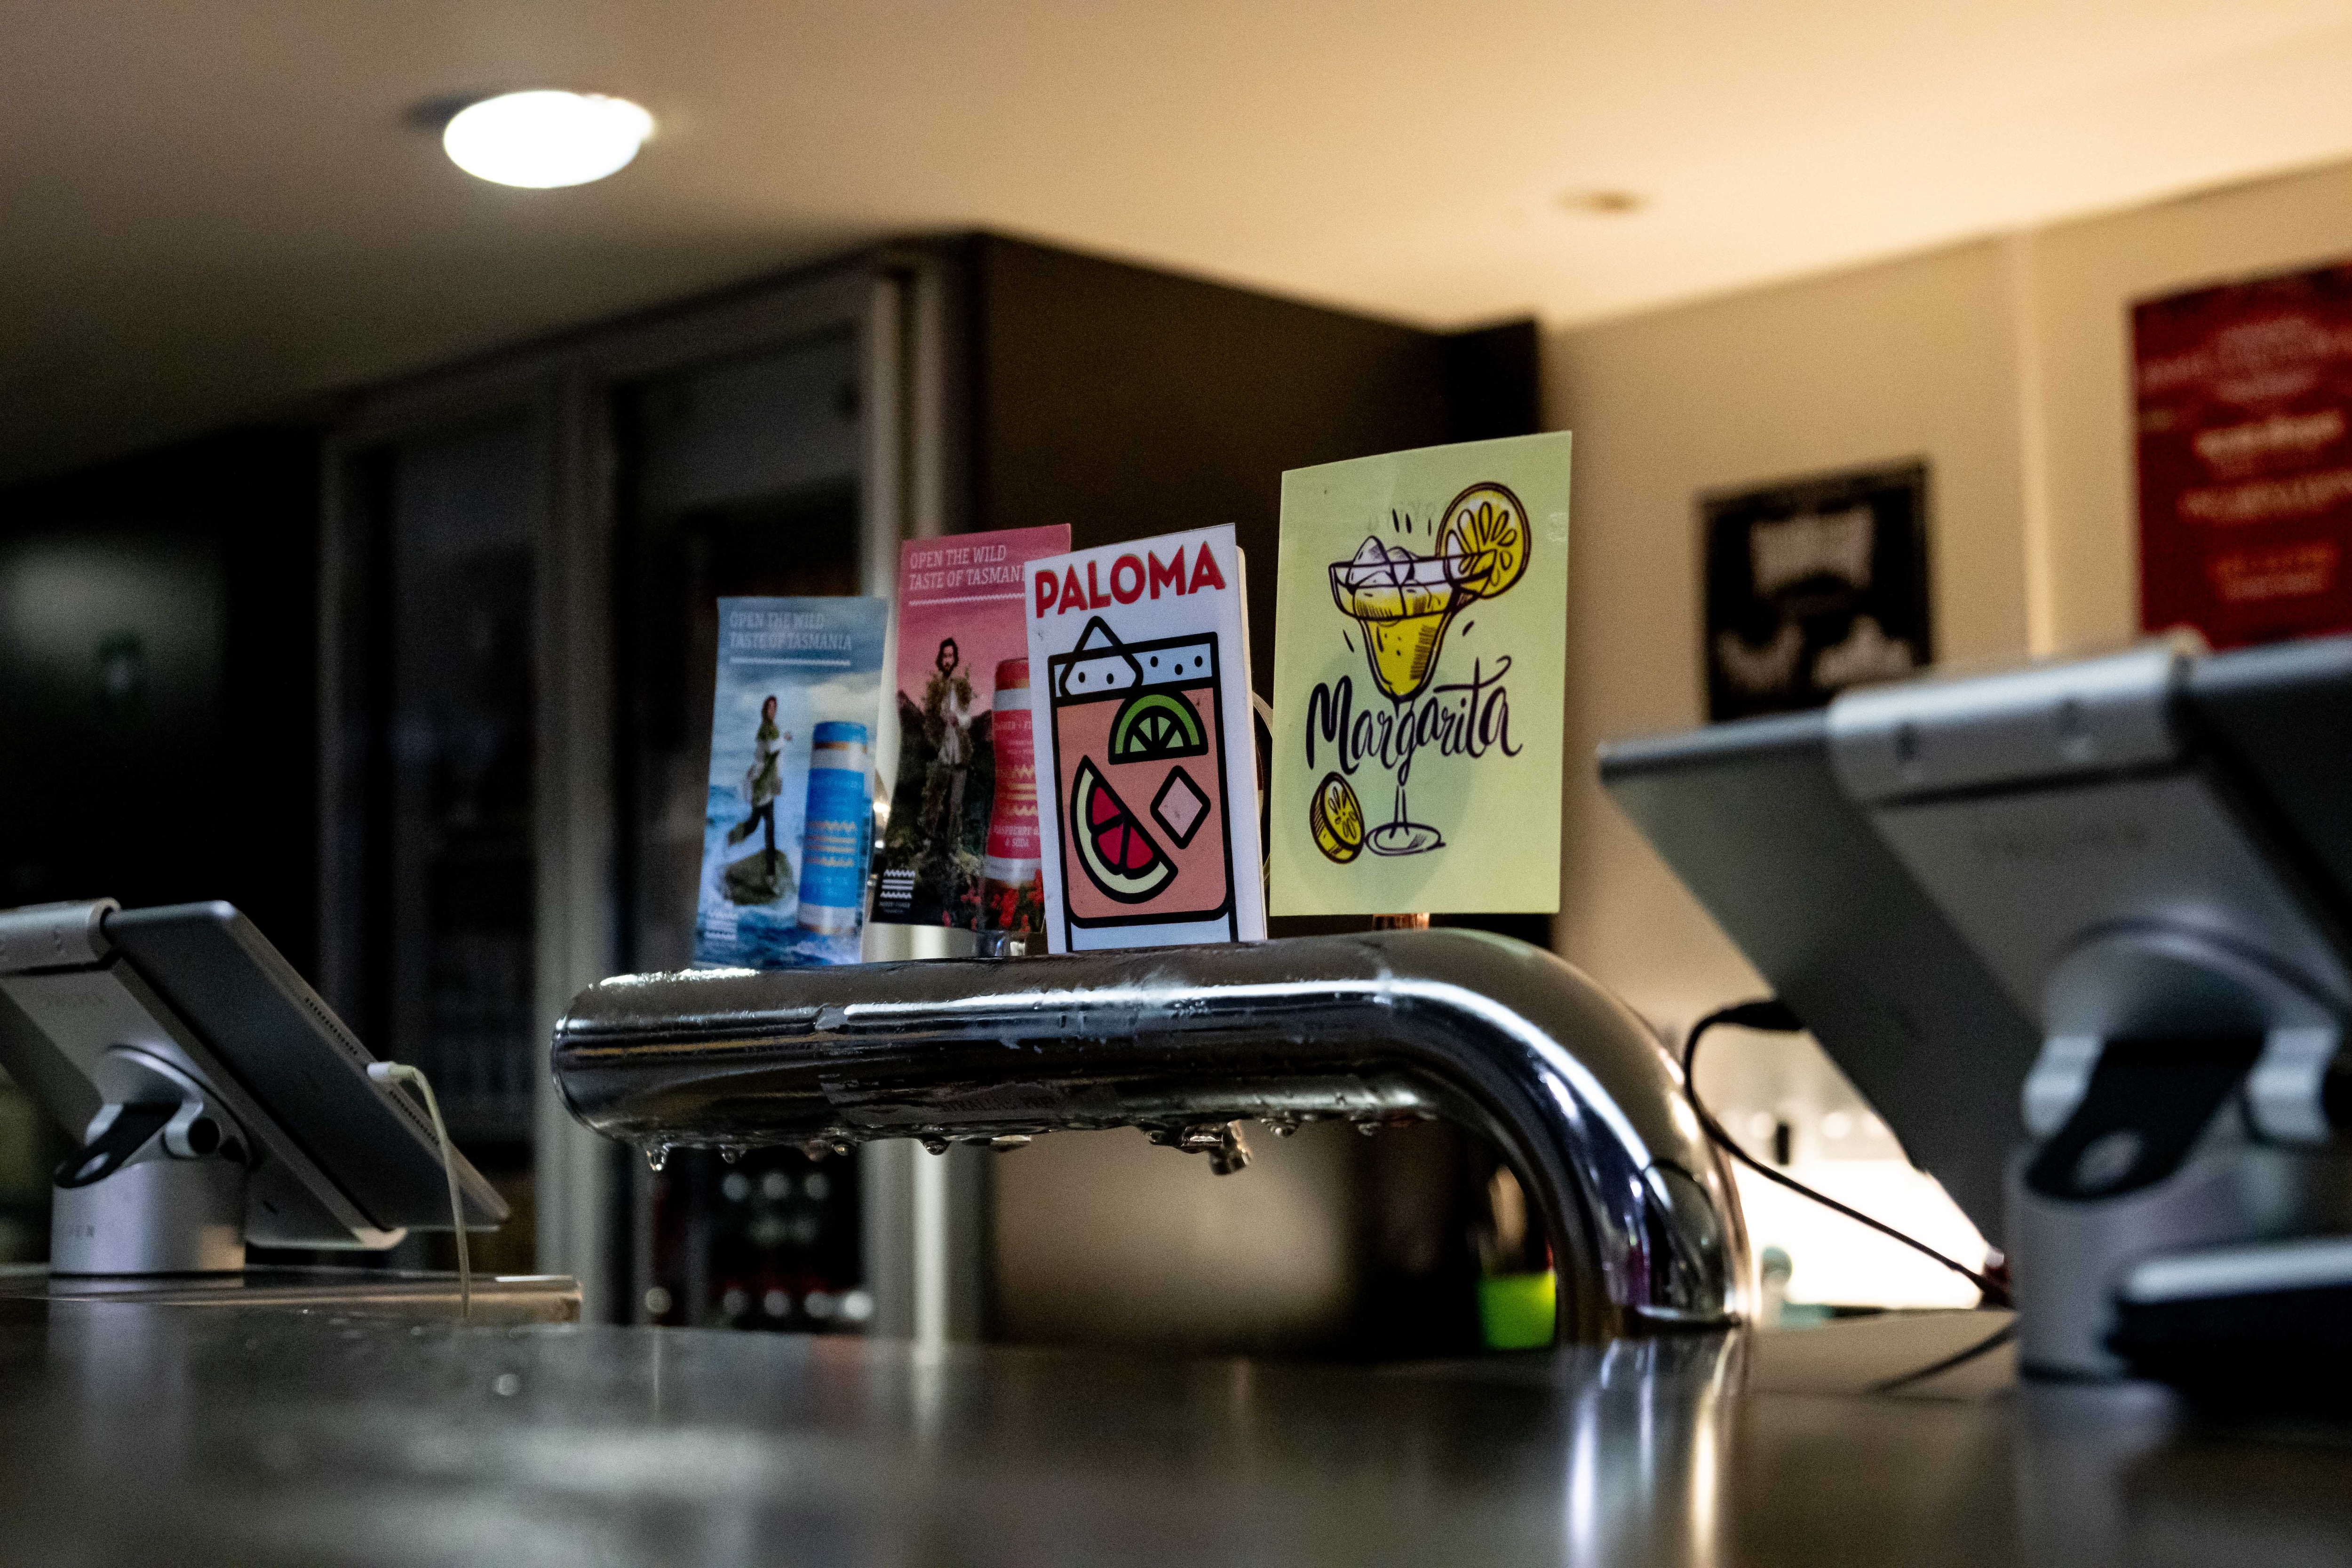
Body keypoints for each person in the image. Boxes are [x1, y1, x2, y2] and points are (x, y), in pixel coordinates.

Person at [727, 694, 786, 860]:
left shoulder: (773, 728)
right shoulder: (766, 729)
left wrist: (779, 781)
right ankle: (770, 871)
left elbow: (777, 760)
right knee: (761, 826)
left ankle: (730, 840)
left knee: (762, 826)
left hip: (768, 783)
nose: (772, 711)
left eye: (774, 708)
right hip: (761, 783)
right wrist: (784, 739)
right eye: (769, 707)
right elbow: (770, 750)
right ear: (764, 710)